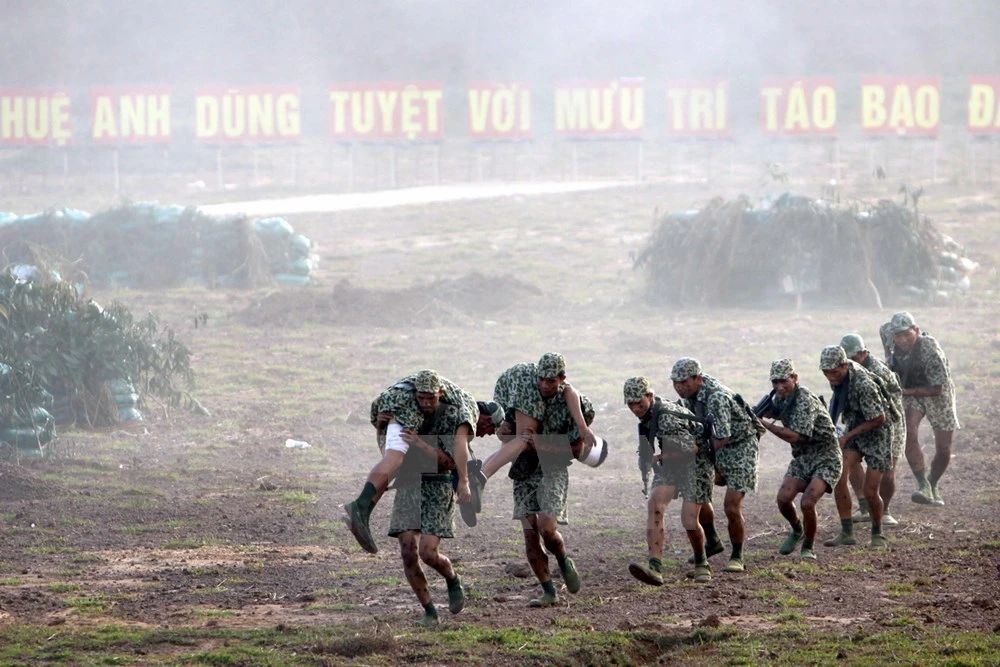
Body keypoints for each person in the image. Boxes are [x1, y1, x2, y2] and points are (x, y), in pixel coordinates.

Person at [343, 371, 503, 554]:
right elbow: (459, 443)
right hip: (399, 401)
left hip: (385, 400)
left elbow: (387, 454)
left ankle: (363, 510)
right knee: (395, 459)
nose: (486, 434)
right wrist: (465, 482)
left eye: (430, 399)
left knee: (394, 461)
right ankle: (360, 506)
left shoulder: (437, 404)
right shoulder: (467, 409)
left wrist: (381, 428)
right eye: (490, 429)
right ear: (486, 418)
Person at [493, 353, 594, 607]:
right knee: (529, 534)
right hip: (524, 471)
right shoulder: (522, 397)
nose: (545, 385)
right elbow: (508, 436)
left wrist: (540, 444)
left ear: (562, 379)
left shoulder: (573, 404)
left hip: (553, 469)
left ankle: (563, 560)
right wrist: (505, 433)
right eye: (541, 380)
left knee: (547, 528)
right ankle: (548, 590)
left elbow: (576, 449)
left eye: (551, 380)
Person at [385, 370, 470, 626]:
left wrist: (419, 443)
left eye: (431, 398)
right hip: (410, 483)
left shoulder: (451, 416)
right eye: (421, 398)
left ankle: (452, 579)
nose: (426, 403)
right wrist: (382, 424)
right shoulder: (404, 413)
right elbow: (387, 448)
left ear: (440, 395)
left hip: (438, 484)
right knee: (408, 550)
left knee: (429, 553)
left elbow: (451, 463)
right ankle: (429, 611)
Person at [623, 376, 719, 585]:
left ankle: (702, 564)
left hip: (697, 462)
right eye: (631, 404)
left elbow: (691, 449)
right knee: (655, 504)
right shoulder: (650, 413)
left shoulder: (664, 416)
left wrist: (657, 458)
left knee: (689, 518)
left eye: (639, 402)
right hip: (673, 459)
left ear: (650, 396)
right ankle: (655, 567)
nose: (636, 408)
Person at [671, 357, 763, 574]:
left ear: (698, 379)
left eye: (684, 382)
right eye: (675, 383)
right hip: (716, 444)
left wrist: (695, 450)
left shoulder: (716, 398)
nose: (679, 387)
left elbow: (721, 437)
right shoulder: (690, 395)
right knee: (700, 492)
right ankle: (712, 541)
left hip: (741, 446)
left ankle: (737, 555)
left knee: (731, 505)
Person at [759, 360, 843, 561]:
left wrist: (764, 424)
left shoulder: (804, 399)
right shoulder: (780, 397)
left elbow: (794, 436)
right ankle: (797, 529)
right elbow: (777, 411)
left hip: (827, 456)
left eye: (784, 381)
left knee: (807, 502)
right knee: (783, 498)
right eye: (775, 382)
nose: (780, 386)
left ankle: (808, 546)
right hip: (804, 456)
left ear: (795, 378)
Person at [819, 346, 892, 549]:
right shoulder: (839, 377)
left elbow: (879, 418)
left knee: (870, 490)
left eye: (834, 372)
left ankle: (877, 534)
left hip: (878, 433)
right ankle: (846, 532)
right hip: (856, 428)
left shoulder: (863, 384)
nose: (830, 377)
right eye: (826, 373)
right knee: (839, 477)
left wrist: (847, 436)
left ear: (844, 366)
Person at [887, 311, 959, 507]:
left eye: (906, 334)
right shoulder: (893, 342)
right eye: (898, 335)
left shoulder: (929, 348)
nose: (902, 339)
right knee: (909, 431)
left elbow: (938, 388)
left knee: (944, 449)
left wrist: (908, 391)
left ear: (916, 331)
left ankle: (932, 483)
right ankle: (922, 484)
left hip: (936, 393)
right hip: (912, 392)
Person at [840, 333, 904, 526]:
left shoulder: (878, 372)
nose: (852, 362)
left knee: (887, 470)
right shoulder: (845, 371)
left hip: (889, 422)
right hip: (861, 419)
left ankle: (884, 511)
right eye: (848, 359)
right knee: (848, 456)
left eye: (855, 357)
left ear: (864, 353)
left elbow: (883, 412)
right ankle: (864, 505)